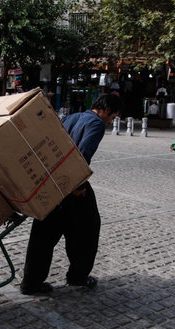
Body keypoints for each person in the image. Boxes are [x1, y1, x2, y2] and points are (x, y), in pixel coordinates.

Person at [21, 94, 122, 295]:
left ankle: (31, 283)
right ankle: (78, 276)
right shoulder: (96, 124)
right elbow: (82, 153)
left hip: (52, 182)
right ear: (107, 110)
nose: (111, 121)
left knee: (44, 233)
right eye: (113, 117)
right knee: (88, 228)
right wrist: (79, 185)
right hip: (71, 185)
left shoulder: (72, 117)